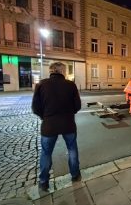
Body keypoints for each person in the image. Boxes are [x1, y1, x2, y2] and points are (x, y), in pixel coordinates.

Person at [32, 62, 82, 191]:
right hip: (68, 124)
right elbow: (77, 106)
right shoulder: (71, 85)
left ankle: (43, 182)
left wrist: (45, 116)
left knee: (46, 153)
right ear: (62, 71)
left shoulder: (41, 85)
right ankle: (75, 175)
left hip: (49, 125)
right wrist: (69, 113)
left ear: (51, 71)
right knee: (72, 149)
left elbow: (35, 108)